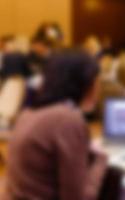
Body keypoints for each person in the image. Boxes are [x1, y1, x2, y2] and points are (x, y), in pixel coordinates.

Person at [3, 50, 108, 200]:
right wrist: (101, 159)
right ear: (85, 82)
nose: (99, 88)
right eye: (97, 81)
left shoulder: (28, 113)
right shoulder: (67, 119)